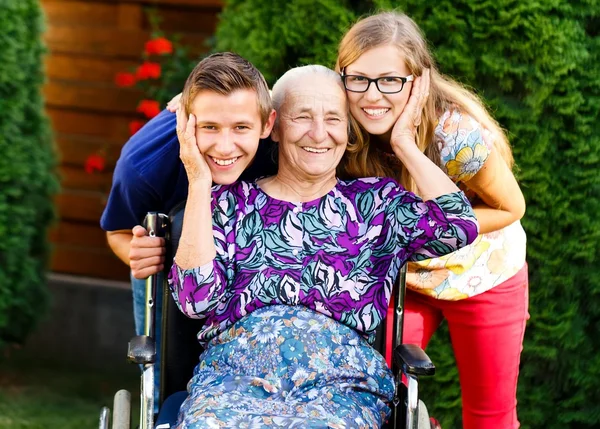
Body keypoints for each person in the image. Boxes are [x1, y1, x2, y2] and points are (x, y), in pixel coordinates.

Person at [167, 64, 479, 428]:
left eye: (333, 119)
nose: (319, 134)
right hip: (233, 382)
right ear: (275, 126)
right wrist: (199, 181)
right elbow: (195, 301)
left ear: (347, 132)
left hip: (340, 388)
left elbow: (459, 226)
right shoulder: (226, 203)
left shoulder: (377, 205)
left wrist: (403, 143)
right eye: (302, 117)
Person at [335, 12, 528, 429]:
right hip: (407, 281)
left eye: (390, 80)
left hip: (481, 273)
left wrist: (405, 144)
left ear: (418, 81)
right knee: (381, 400)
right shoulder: (338, 126)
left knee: (490, 417)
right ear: (341, 76)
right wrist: (179, 112)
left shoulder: (454, 134)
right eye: (359, 79)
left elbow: (511, 208)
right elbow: (270, 111)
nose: (372, 96)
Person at [100, 52, 277, 407]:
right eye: (208, 127)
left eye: (241, 128)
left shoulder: (279, 145)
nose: (224, 147)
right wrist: (136, 252)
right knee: (167, 376)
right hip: (170, 273)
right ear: (185, 119)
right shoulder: (143, 164)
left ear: (266, 124)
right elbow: (117, 231)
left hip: (250, 268)